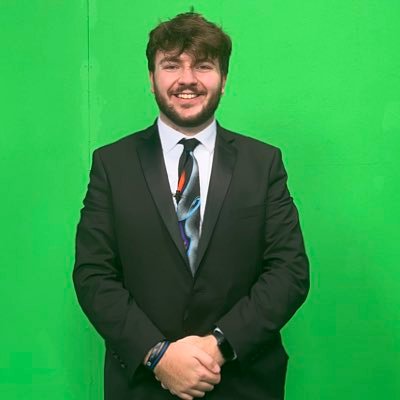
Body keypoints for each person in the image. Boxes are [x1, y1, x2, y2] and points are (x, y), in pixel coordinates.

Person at [73, 11, 309, 400]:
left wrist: (218, 345)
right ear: (151, 79)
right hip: (143, 386)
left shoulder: (263, 163)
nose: (187, 79)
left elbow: (290, 271)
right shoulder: (111, 165)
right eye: (171, 65)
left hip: (243, 383)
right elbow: (93, 275)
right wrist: (159, 355)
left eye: (203, 66)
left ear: (224, 80)